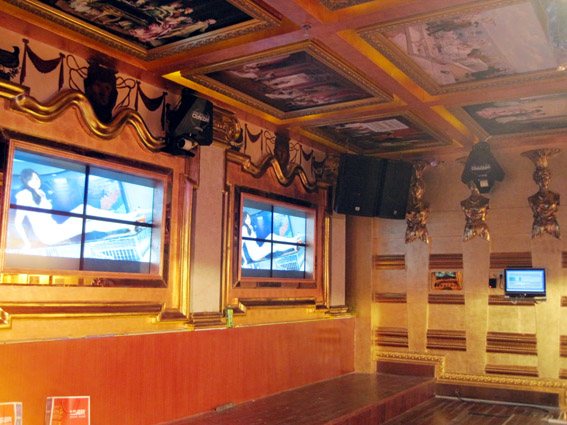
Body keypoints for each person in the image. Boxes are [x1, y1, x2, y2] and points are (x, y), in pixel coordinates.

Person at [12, 169, 143, 249]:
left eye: (36, 178)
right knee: (91, 223)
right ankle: (128, 221)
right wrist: (27, 243)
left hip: (56, 228)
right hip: (49, 235)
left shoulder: (41, 193)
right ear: (26, 182)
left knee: (84, 209)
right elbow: (18, 222)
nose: (35, 181)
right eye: (31, 180)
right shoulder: (24, 195)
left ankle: (128, 219)